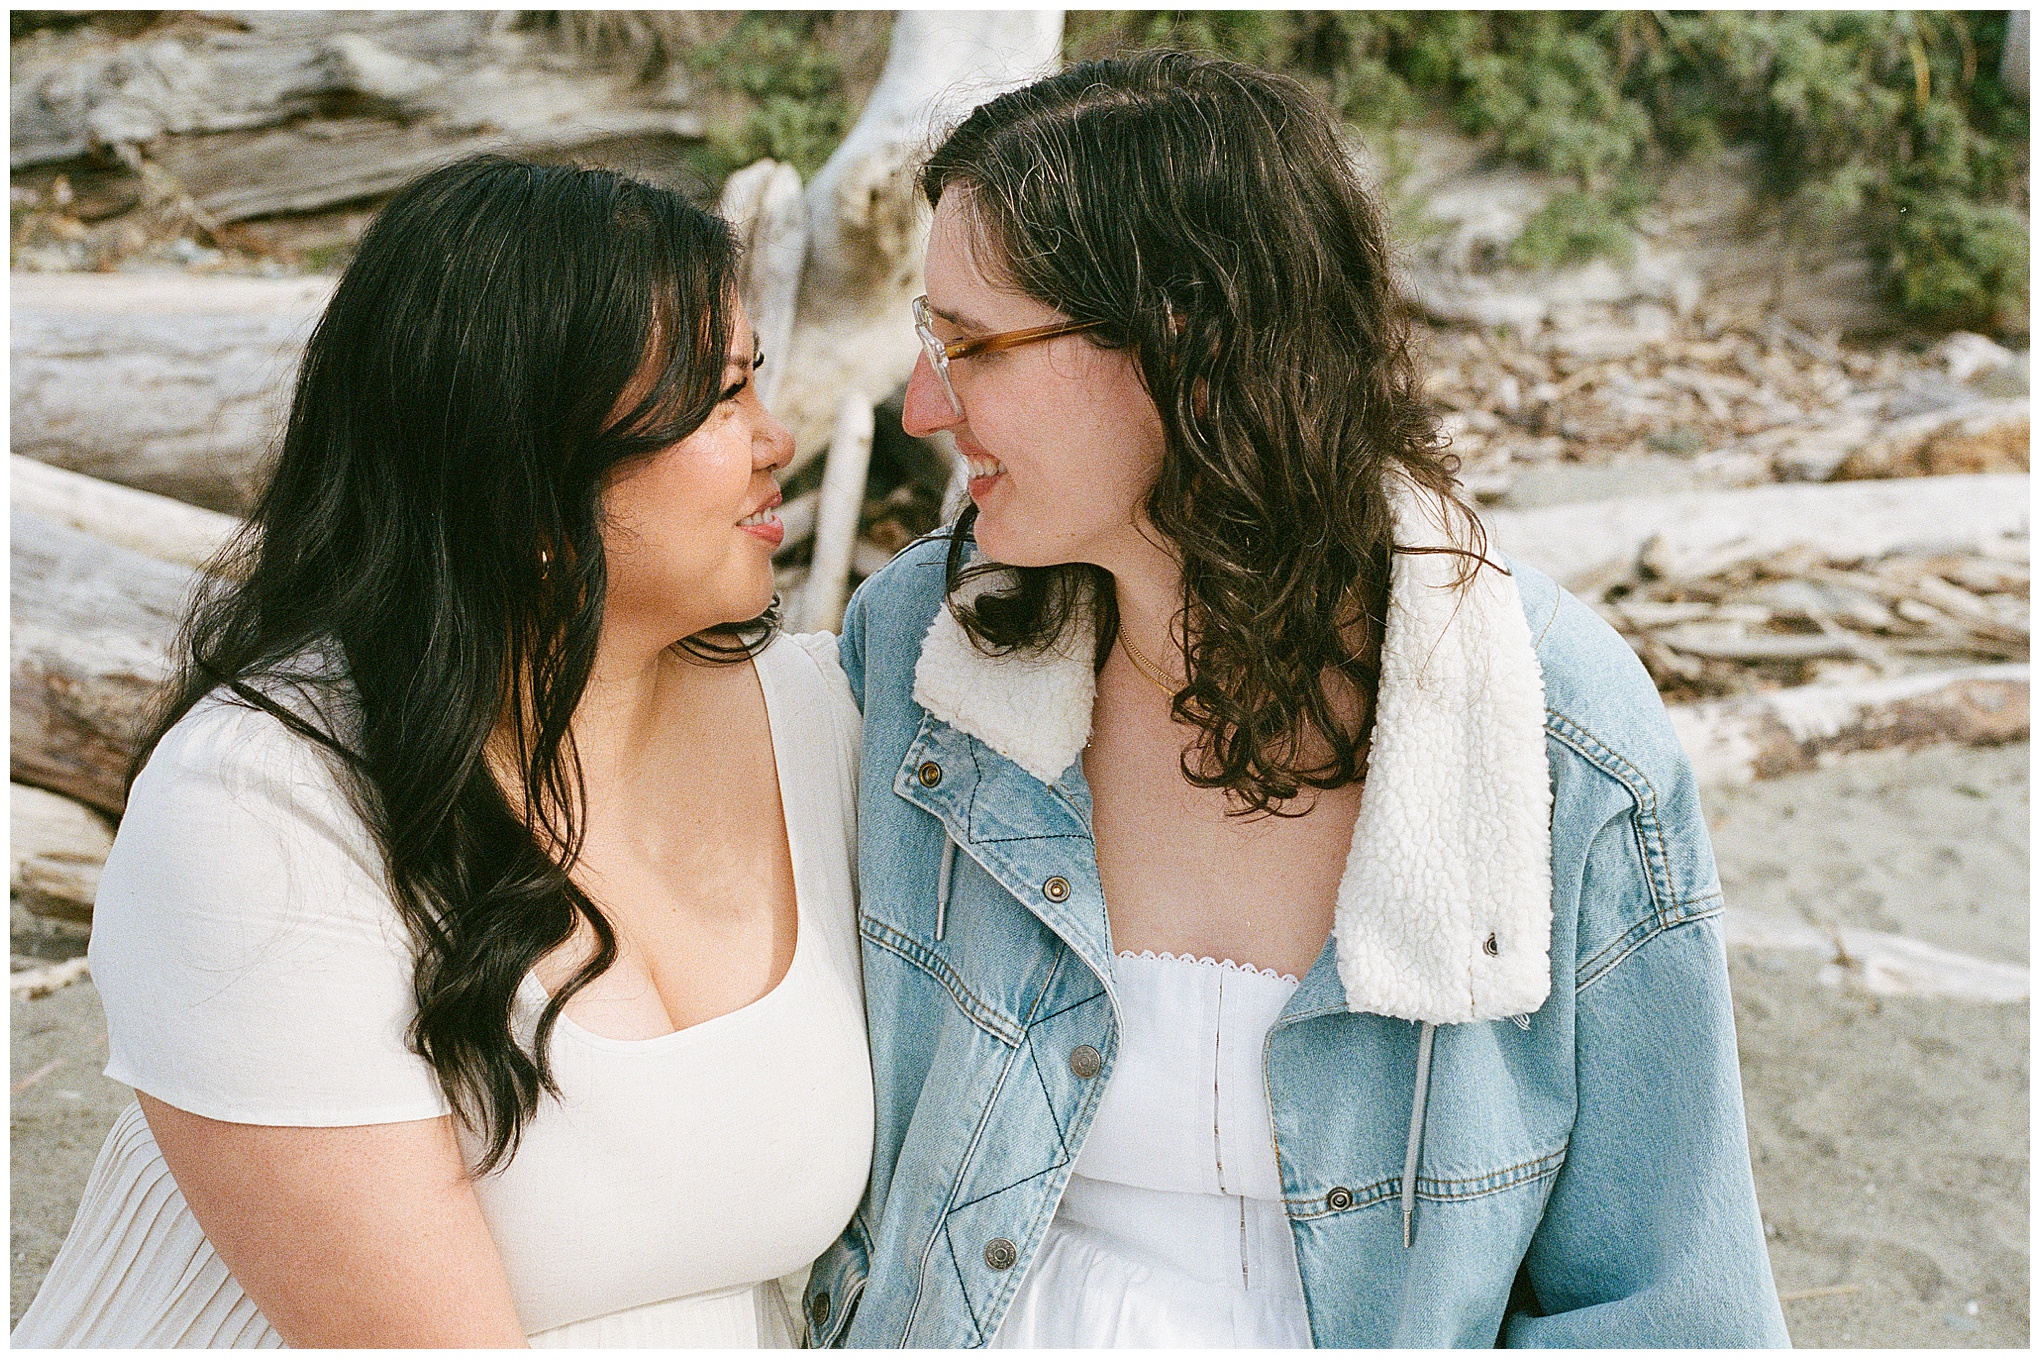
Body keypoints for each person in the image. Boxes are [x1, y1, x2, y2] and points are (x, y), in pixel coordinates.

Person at [801, 51, 1790, 1348]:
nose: (925, 402)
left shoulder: (1559, 738)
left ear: (1191, 345)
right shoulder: (920, 653)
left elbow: (1673, 1308)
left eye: (974, 344)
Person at [12, 156, 873, 1348]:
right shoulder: (258, 809)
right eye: (720, 399)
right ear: (526, 477)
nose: (778, 439)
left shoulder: (818, 719)